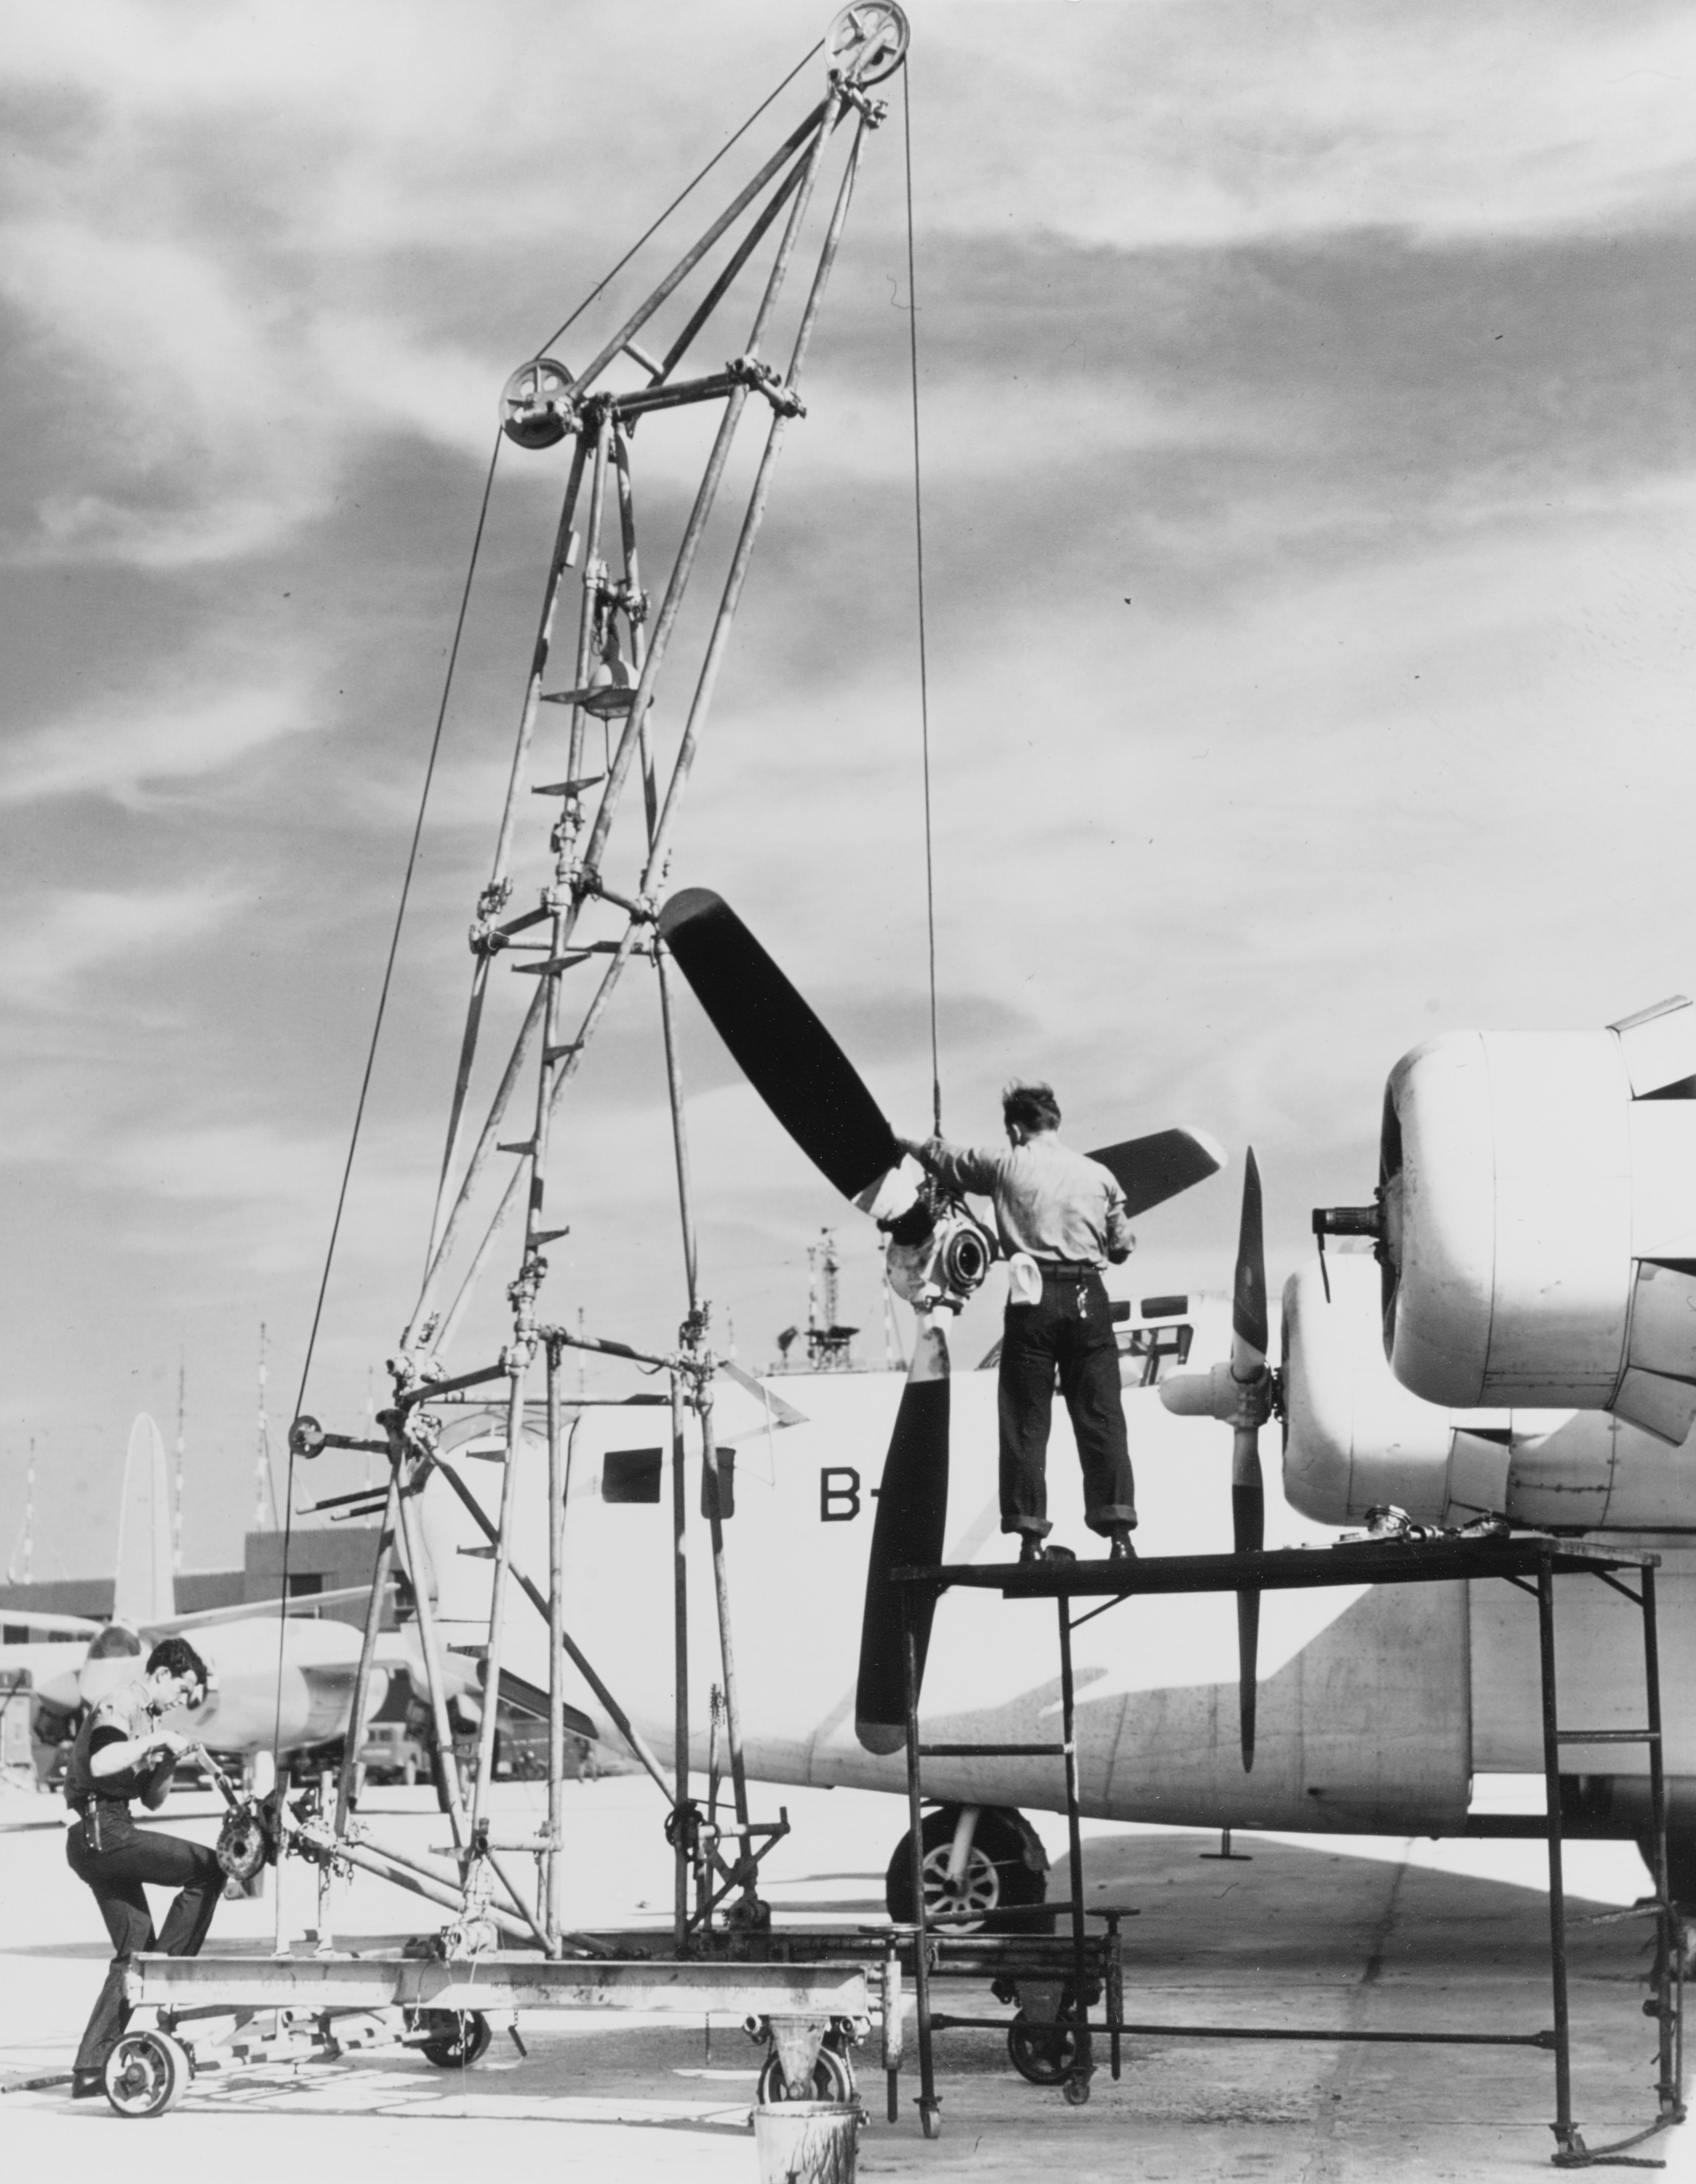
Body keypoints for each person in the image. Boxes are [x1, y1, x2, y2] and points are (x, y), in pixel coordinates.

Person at [899, 1081, 1138, 1563]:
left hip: (1031, 1297)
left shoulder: (1004, 1164)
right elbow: (1122, 1246)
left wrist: (898, 1139)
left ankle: (1030, 1540)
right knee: (1101, 1418)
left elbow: (944, 1157)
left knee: (1026, 1419)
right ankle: (1119, 1538)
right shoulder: (1100, 1175)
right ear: (1055, 1122)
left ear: (1013, 1128)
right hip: (1087, 1296)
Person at [63, 1636, 221, 2097]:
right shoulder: (122, 1701)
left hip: (105, 1833)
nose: (181, 1700)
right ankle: (166, 1973)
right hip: (102, 1831)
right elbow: (102, 1758)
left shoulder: (150, 1718)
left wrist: (169, 1758)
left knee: (133, 1953)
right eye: (181, 1688)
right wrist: (157, 1739)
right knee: (208, 1868)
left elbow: (151, 1799)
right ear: (161, 1675)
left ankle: (90, 2067)